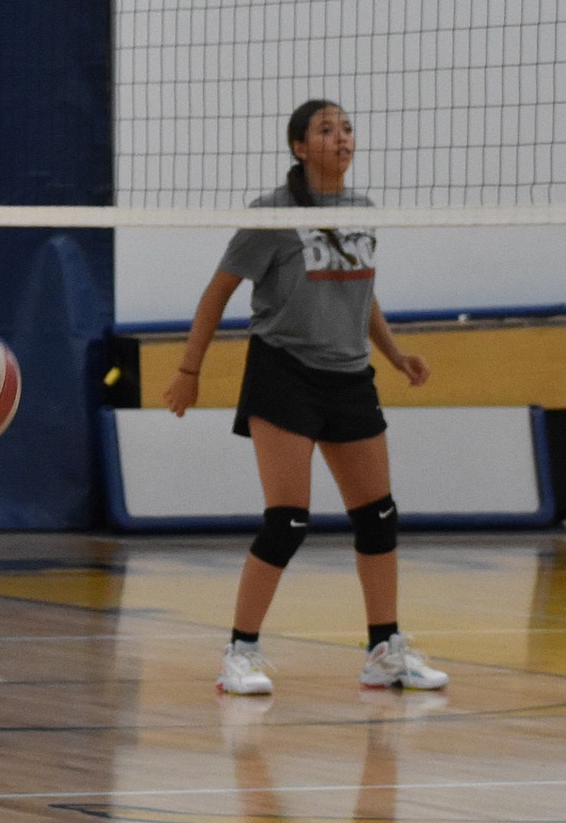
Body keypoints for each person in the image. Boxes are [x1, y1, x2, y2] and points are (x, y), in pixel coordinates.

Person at [163, 98, 449, 697]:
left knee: (379, 516)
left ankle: (383, 651)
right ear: (299, 147)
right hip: (283, 372)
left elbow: (361, 293)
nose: (342, 137)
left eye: (347, 128)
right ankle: (239, 652)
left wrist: (396, 356)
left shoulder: (362, 212)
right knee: (288, 519)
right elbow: (217, 293)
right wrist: (190, 369)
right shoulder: (272, 215)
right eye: (326, 129)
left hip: (350, 377)